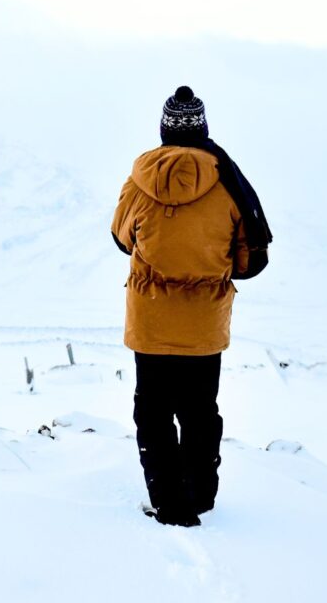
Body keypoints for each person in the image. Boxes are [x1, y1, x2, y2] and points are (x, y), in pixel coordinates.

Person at [111, 86, 271, 527]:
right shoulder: (227, 183)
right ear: (203, 129)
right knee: (200, 411)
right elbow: (249, 261)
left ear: (164, 129)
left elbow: (120, 237)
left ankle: (169, 503)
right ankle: (199, 496)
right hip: (204, 326)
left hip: (151, 320)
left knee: (153, 412)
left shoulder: (139, 180)